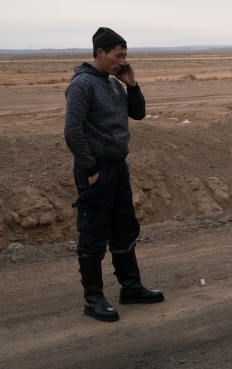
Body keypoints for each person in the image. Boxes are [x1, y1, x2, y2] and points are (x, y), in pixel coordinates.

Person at [64, 27, 164, 322]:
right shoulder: (82, 85)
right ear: (100, 53)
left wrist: (132, 84)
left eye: (125, 56)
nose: (123, 61)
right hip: (96, 171)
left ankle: (131, 287)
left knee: (124, 228)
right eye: (118, 56)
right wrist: (90, 169)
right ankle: (93, 299)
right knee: (93, 234)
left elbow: (139, 113)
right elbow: (72, 131)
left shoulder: (114, 83)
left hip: (119, 167)